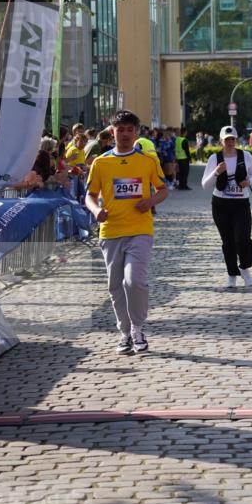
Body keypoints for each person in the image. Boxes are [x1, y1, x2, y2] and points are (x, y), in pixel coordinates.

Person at [85, 109, 168, 355]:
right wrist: (95, 210)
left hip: (140, 229)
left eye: (129, 129)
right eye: (120, 129)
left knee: (134, 281)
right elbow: (89, 195)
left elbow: (162, 189)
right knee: (115, 285)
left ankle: (138, 328)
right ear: (112, 132)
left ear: (136, 133)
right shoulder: (101, 163)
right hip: (110, 231)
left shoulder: (147, 161)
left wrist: (150, 202)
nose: (124, 134)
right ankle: (124, 332)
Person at [201, 125, 252, 291]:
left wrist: (250, 182)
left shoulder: (245, 156)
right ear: (221, 141)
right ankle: (231, 275)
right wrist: (217, 173)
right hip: (221, 205)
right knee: (228, 242)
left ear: (236, 140)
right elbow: (205, 185)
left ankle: (244, 268)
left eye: (232, 139)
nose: (230, 142)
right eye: (227, 140)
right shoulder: (214, 158)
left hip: (241, 204)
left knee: (243, 239)